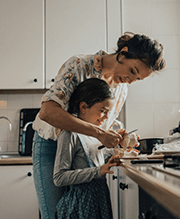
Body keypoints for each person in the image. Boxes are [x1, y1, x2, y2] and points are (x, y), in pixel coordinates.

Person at [32, 32, 166, 219]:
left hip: (83, 155)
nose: (130, 80)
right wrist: (100, 133)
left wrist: (116, 136)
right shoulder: (79, 65)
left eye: (136, 79)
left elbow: (99, 126)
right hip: (51, 146)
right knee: (55, 215)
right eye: (133, 71)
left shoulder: (121, 88)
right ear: (123, 53)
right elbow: (47, 112)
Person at [53, 78, 119, 219]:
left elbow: (95, 158)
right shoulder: (69, 134)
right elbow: (59, 177)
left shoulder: (96, 133)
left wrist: (115, 154)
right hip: (82, 204)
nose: (106, 117)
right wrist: (98, 171)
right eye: (103, 111)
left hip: (100, 198)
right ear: (83, 107)